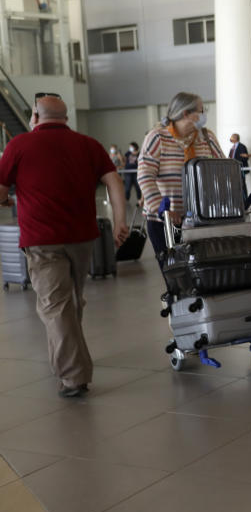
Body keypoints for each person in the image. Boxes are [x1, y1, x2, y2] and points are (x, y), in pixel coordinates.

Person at [0, 95, 129, 398]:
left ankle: (74, 376)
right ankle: (67, 360)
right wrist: (121, 222)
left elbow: (0, 191)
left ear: (35, 116)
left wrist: (10, 198)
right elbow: (115, 181)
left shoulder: (19, 145)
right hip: (82, 237)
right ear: (66, 117)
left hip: (42, 241)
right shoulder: (88, 144)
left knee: (55, 305)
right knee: (70, 300)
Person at [139, 92, 224, 256]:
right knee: (175, 273)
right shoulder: (157, 137)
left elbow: (221, 170)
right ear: (186, 113)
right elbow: (145, 176)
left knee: (203, 273)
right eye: (201, 110)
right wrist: (163, 210)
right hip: (164, 222)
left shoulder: (207, 137)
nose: (203, 114)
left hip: (201, 220)